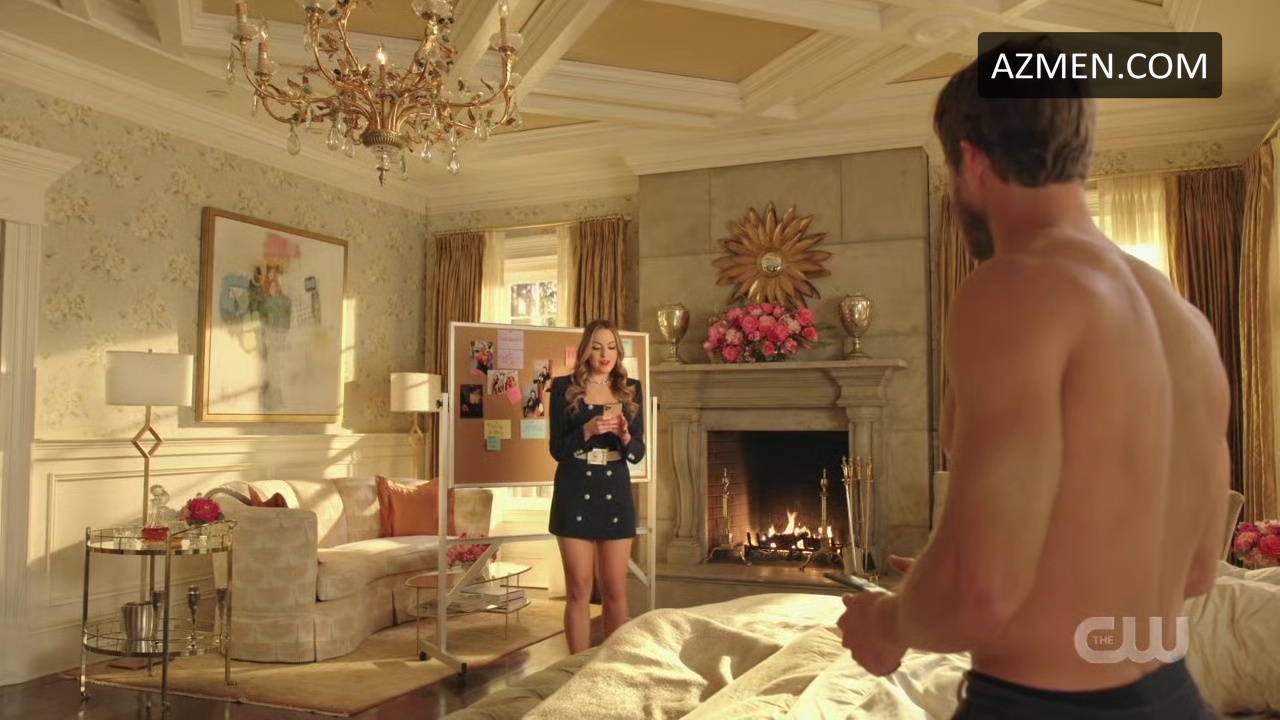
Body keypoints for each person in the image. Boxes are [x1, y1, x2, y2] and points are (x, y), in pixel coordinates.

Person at [837, 37, 1229, 719]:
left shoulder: (1015, 286)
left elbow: (981, 592)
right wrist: (951, 584)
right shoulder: (1182, 318)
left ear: (972, 161)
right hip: (1173, 697)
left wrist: (889, 622)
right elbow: (1196, 569)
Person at [548, 319, 646, 653]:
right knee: (579, 589)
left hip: (615, 491)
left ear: (619, 351)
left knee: (615, 589)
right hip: (574, 489)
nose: (605, 355)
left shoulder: (631, 388)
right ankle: (574, 668)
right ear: (586, 350)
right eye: (597, 347)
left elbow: (638, 453)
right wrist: (586, 431)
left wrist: (626, 436)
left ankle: (611, 668)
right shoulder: (564, 387)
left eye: (612, 347)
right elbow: (557, 450)